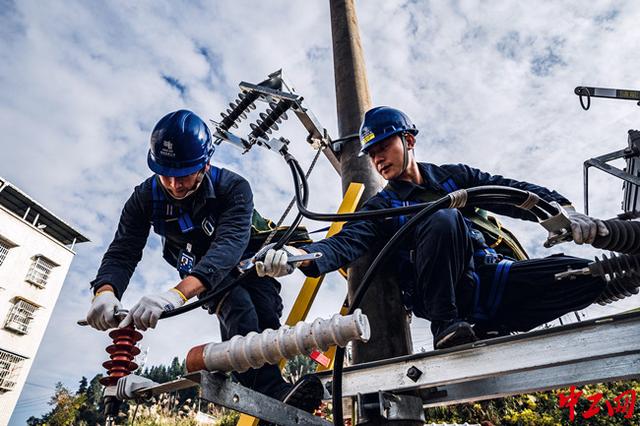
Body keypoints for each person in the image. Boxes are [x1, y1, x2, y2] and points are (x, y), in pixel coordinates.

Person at [256, 106, 610, 350]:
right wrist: (297, 256)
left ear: (408, 141)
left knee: (585, 273)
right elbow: (346, 242)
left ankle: (494, 329)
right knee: (441, 216)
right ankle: (447, 328)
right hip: (445, 298)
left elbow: (507, 192)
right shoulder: (380, 208)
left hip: (490, 281)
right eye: (372, 153)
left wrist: (561, 211)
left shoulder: (452, 176)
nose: (378, 159)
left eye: (384, 147)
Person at [86, 109, 322, 413]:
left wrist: (175, 295)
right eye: (165, 173)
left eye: (182, 174)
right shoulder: (145, 197)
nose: (173, 184)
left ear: (204, 163)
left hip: (246, 254)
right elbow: (124, 249)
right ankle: (269, 391)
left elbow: (227, 248)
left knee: (265, 310)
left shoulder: (234, 188)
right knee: (236, 303)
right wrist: (105, 292)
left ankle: (268, 384)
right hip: (196, 263)